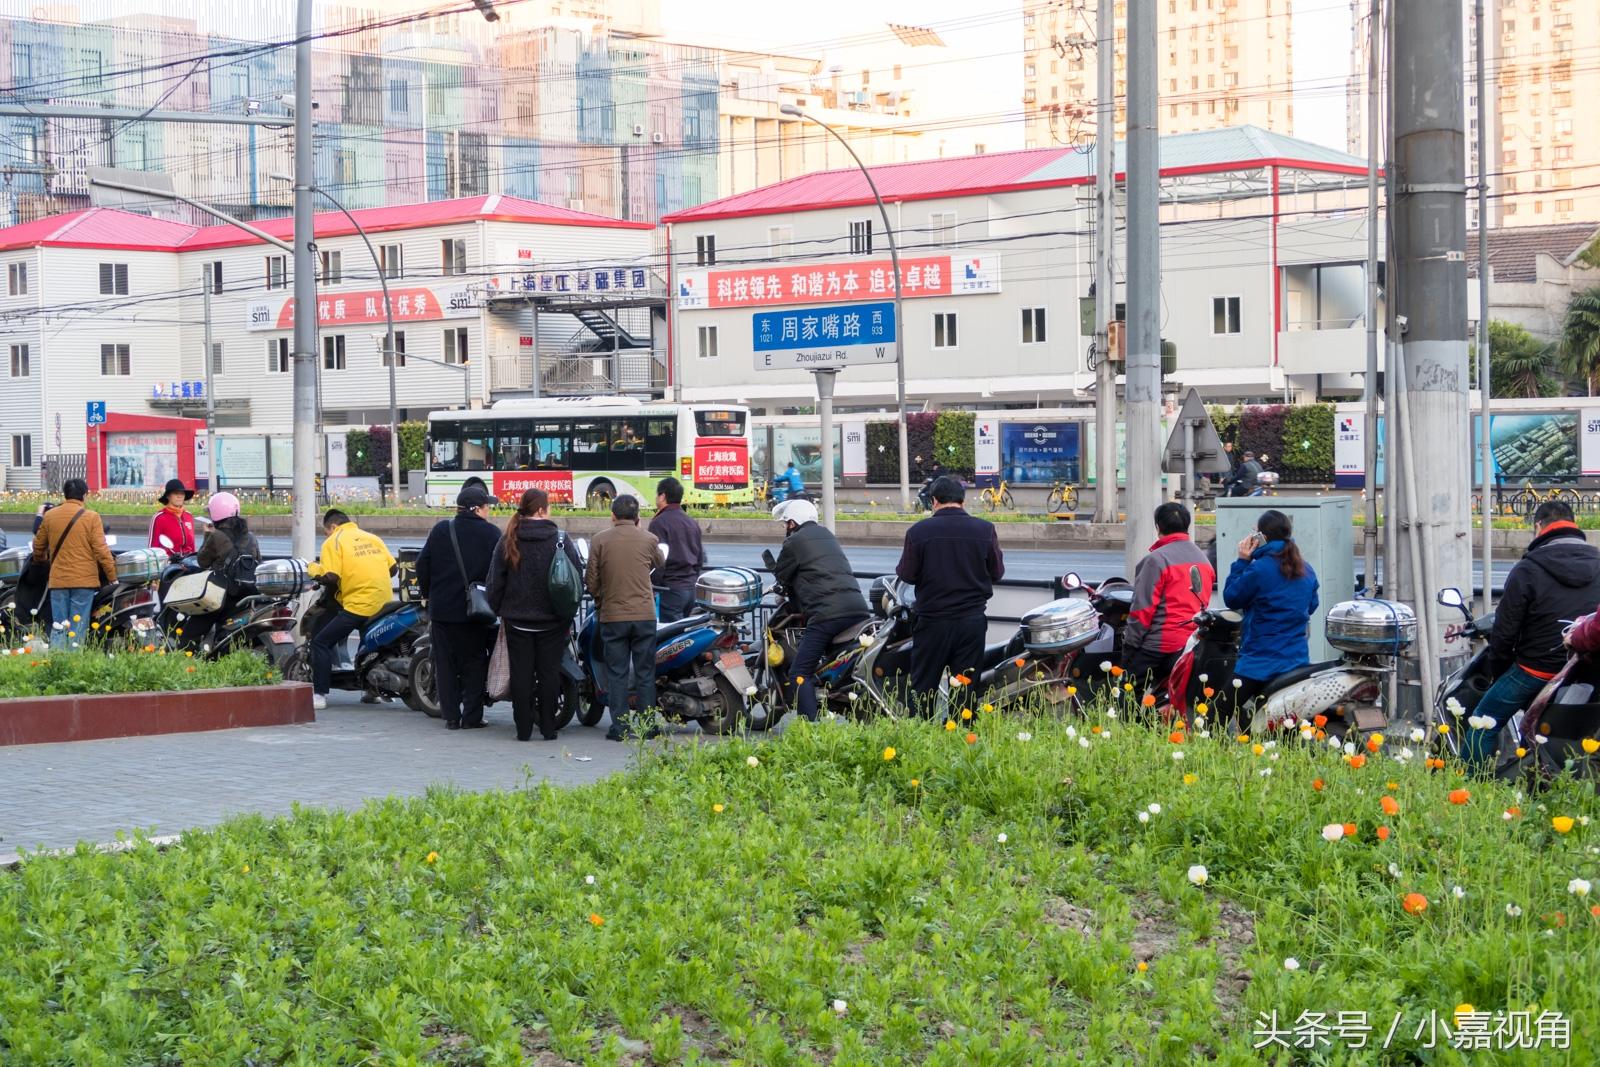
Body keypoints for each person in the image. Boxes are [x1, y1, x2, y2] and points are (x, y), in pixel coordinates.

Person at [1463, 500, 1600, 771]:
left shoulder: (1528, 568)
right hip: (1583, 668)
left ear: (1539, 526)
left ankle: (1468, 786)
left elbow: (1505, 630)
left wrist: (1499, 671)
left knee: (1483, 722)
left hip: (1535, 670)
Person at [895, 475, 1005, 707]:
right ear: (962, 501)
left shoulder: (918, 532)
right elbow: (997, 572)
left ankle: (923, 735)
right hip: (971, 622)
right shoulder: (985, 529)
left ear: (934, 501)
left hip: (932, 621)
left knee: (923, 688)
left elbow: (907, 575)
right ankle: (961, 734)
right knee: (964, 689)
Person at [487, 487, 585, 741]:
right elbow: (576, 579)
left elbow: (495, 580)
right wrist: (567, 613)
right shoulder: (560, 539)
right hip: (552, 621)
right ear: (542, 509)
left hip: (517, 621)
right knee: (549, 673)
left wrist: (499, 609)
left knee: (520, 674)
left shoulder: (509, 538)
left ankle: (523, 730)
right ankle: (549, 728)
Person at [772, 498, 871, 721]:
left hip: (828, 615)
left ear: (792, 523)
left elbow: (782, 574)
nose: (786, 528)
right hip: (858, 611)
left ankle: (809, 729)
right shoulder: (827, 535)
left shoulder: (794, 542)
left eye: (786, 523)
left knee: (799, 672)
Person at [417, 483, 502, 730]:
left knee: (445, 664)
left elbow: (423, 565)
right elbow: (499, 572)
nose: (490, 512)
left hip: (442, 611)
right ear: (477, 509)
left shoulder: (442, 530)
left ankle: (451, 717)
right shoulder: (492, 534)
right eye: (488, 507)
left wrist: (429, 595)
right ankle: (472, 717)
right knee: (473, 664)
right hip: (474, 613)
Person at [1222, 509, 1319, 725]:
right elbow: (1311, 606)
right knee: (1290, 725)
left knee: (1215, 716)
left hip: (1259, 662)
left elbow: (1232, 597)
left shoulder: (1258, 569)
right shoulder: (1307, 569)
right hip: (1296, 661)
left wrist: (1242, 560)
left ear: (1262, 537)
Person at [586, 495, 665, 741]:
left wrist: (601, 600)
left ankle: (620, 727)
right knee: (645, 672)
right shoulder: (650, 539)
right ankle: (648, 726)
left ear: (612, 515)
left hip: (613, 616)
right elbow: (660, 564)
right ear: (637, 517)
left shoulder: (599, 540)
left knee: (617, 673)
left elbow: (591, 580)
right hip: (644, 616)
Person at [306, 510, 397, 712]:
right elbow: (393, 569)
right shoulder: (372, 538)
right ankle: (372, 692)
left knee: (321, 642)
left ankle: (319, 694)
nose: (327, 535)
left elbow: (330, 577)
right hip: (384, 603)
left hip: (358, 604)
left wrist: (312, 568)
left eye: (326, 532)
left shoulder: (334, 541)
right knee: (369, 646)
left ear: (332, 527)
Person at [1122, 502, 1216, 690]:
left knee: (1127, 691)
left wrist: (1130, 646)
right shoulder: (1204, 560)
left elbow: (1142, 610)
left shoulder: (1156, 560)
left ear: (1158, 527)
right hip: (1193, 642)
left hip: (1161, 644)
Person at [30, 478, 116, 651]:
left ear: (65, 494)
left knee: (59, 624)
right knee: (77, 626)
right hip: (84, 583)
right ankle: (73, 662)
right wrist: (112, 577)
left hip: (59, 581)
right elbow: (102, 551)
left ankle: (57, 664)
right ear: (84, 495)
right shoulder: (92, 517)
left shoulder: (50, 516)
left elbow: (38, 546)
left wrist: (41, 560)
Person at [649, 476, 707, 622]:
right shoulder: (691, 522)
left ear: (662, 497)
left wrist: (654, 585)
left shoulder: (659, 523)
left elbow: (658, 561)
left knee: (671, 640)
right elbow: (700, 558)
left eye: (657, 495)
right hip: (691, 589)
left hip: (670, 590)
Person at [196, 492, 261, 575]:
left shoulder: (216, 536)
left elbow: (203, 562)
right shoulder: (251, 536)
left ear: (216, 512)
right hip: (246, 583)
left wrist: (207, 534)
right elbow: (258, 560)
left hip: (223, 584)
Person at [149, 478, 196, 558]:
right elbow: (153, 548)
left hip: (188, 562)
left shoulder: (188, 516)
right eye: (176, 493)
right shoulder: (159, 518)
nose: (179, 496)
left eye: (182, 493)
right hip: (169, 564)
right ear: (168, 496)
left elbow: (192, 545)